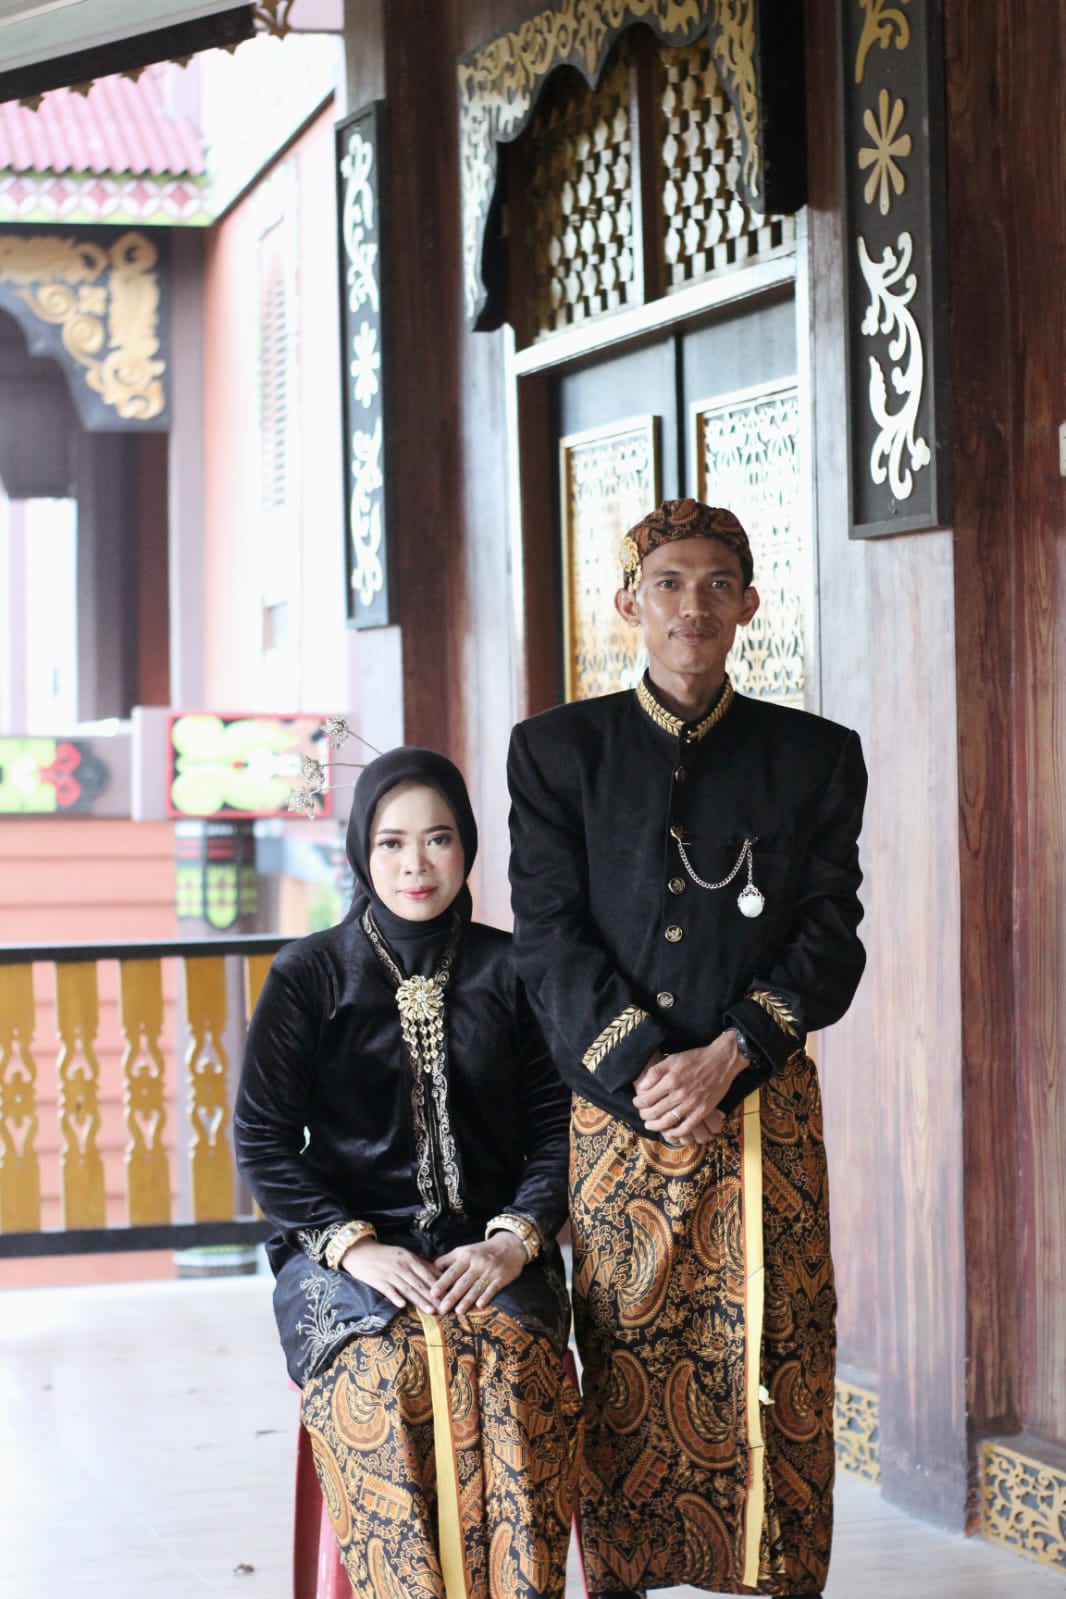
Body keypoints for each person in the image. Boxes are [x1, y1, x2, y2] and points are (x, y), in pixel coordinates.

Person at [507, 497, 868, 1599]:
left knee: (780, 1348)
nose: (692, 604)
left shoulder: (814, 756)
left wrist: (729, 1054)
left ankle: (778, 1578)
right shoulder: (558, 753)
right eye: (667, 582)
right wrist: (641, 1068)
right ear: (630, 604)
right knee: (623, 1355)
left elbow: (831, 936)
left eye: (717, 582)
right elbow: (547, 936)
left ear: (749, 604)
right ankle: (625, 1578)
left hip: (761, 1107)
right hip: (619, 1115)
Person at [235, 746, 580, 1599]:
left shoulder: (515, 970)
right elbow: (262, 1139)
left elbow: (559, 1130)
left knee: (509, 1374)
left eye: (438, 838)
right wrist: (356, 1249)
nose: (415, 864)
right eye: (391, 842)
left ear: (467, 846)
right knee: (384, 1378)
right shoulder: (310, 974)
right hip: (345, 1260)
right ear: (362, 851)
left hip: (491, 1252)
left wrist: (513, 1241)